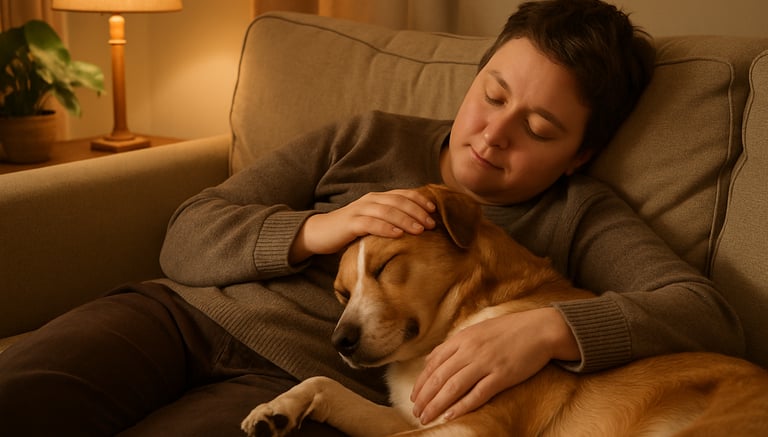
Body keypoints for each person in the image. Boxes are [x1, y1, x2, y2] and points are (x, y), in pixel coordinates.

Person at [0, 0, 745, 435]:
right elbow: (186, 233)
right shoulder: (368, 136)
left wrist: (548, 328)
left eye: (540, 128)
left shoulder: (582, 216)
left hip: (299, 378)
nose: (492, 133)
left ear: (581, 154)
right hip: (179, 314)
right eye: (492, 94)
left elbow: (706, 314)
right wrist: (317, 230)